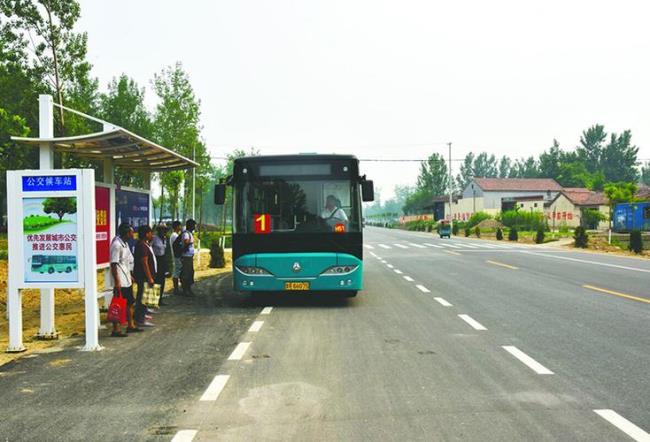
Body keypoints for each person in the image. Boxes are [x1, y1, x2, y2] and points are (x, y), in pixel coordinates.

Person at [109, 223, 140, 336]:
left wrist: (130, 275)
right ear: (127, 233)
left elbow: (126, 262)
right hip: (120, 280)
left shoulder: (125, 244)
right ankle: (116, 329)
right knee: (118, 304)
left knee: (129, 302)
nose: (133, 234)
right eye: (131, 232)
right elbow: (114, 264)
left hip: (126, 278)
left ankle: (130, 325)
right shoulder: (116, 245)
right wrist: (117, 282)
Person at [134, 225, 157, 327]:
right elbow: (144, 262)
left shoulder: (145, 244)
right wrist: (149, 277)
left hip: (146, 276)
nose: (152, 235)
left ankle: (142, 317)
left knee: (145, 297)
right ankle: (140, 320)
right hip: (143, 277)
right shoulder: (142, 246)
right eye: (151, 233)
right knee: (142, 298)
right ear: (146, 234)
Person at [151, 224, 171, 305]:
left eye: (165, 230)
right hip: (156, 259)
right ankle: (154, 300)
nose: (164, 232)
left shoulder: (165, 239)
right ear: (159, 231)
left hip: (162, 260)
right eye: (162, 230)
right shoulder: (154, 239)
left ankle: (160, 299)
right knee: (156, 280)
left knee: (162, 280)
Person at [180, 219, 196, 296]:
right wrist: (190, 242)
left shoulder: (189, 233)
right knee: (186, 273)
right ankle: (185, 289)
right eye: (193, 225)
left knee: (190, 272)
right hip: (186, 256)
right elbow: (186, 241)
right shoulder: (186, 234)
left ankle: (188, 289)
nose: (194, 227)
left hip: (189, 256)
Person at [169, 221, 183, 296]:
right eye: (180, 226)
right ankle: (176, 289)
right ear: (177, 227)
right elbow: (177, 246)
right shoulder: (174, 235)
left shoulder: (174, 235)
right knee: (176, 272)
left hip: (176, 256)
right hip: (176, 256)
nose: (180, 227)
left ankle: (177, 288)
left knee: (177, 271)